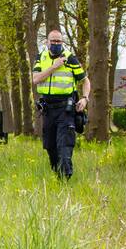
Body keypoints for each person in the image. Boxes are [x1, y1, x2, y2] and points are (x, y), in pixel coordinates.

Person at [31, 30, 90, 179]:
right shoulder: (41, 58)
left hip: (66, 110)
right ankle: (58, 176)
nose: (56, 44)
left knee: (64, 147)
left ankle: (65, 180)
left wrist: (84, 98)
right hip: (48, 109)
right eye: (53, 41)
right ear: (47, 42)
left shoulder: (70, 59)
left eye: (59, 41)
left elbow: (85, 81)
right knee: (50, 147)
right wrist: (54, 67)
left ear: (62, 43)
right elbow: (35, 79)